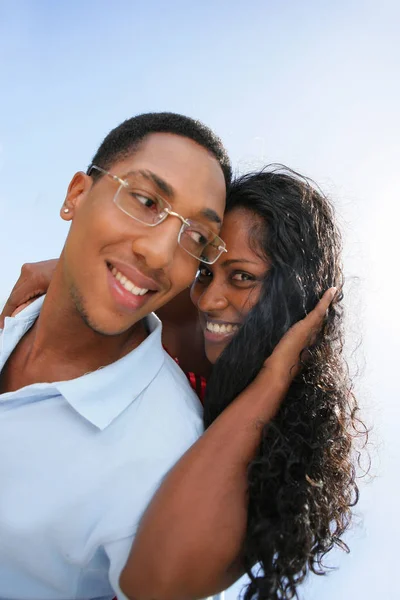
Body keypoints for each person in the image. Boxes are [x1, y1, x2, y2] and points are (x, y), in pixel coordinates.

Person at [1, 165, 365, 600]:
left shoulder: (281, 466)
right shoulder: (193, 317)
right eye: (207, 272)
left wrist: (275, 377)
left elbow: (154, 582)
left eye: (243, 277)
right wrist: (60, 271)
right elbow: (115, 278)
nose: (209, 299)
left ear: (297, 297)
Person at [0, 111, 231, 600]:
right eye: (146, 201)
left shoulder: (167, 462)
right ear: (76, 196)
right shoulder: (14, 313)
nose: (161, 254)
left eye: (197, 239)